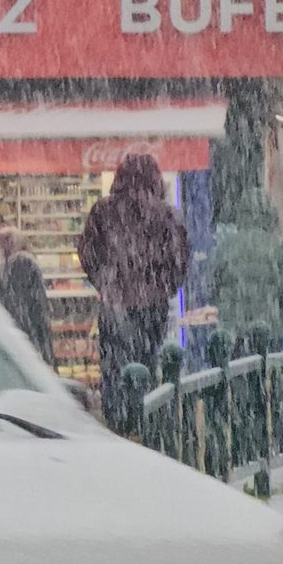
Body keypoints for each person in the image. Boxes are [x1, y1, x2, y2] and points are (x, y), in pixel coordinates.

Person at [78, 153, 189, 431]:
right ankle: (144, 418)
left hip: (115, 303)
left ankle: (118, 420)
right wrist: (162, 287)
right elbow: (180, 259)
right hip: (152, 304)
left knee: (114, 364)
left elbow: (87, 252)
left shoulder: (103, 211)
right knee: (147, 360)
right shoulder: (165, 215)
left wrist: (106, 283)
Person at [210, 188, 283, 356]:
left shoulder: (226, 247)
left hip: (233, 327)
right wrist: (282, 313)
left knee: (236, 368)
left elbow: (212, 285)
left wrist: (226, 307)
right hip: (269, 326)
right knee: (268, 367)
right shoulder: (278, 247)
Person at [0, 226, 55, 367]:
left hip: (19, 331)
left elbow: (14, 302)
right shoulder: (21, 262)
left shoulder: (16, 263)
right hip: (27, 329)